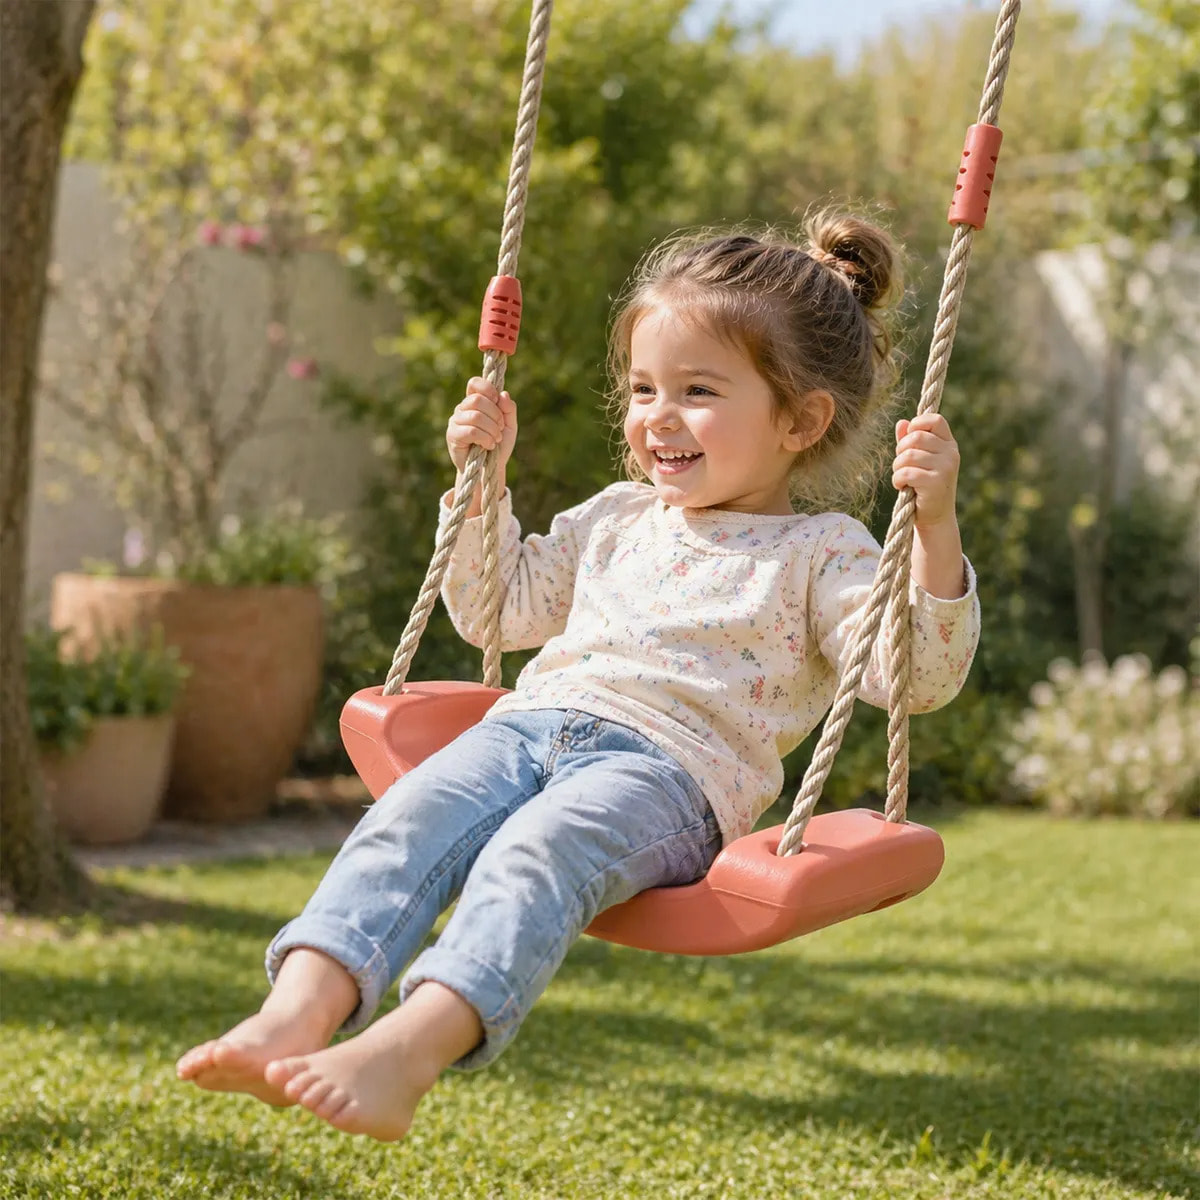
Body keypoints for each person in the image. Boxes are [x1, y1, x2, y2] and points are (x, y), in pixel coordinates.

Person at [177, 212, 981, 1141]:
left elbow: (913, 673)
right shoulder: (615, 518)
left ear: (800, 419)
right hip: (528, 726)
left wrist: (934, 528)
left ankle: (408, 1051)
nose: (657, 416)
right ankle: (297, 1010)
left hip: (667, 777)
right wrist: (482, 482)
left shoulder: (822, 554)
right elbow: (498, 611)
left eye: (699, 390)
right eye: (643, 387)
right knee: (405, 822)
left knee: (536, 852)